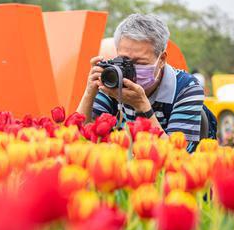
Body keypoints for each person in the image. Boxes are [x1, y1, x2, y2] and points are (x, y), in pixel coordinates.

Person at [76, 13, 216, 152]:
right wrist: (90, 92)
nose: (129, 69)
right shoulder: (113, 79)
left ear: (161, 59)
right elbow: (80, 137)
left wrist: (143, 107)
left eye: (140, 63)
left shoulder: (187, 88)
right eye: (124, 60)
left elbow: (177, 156)